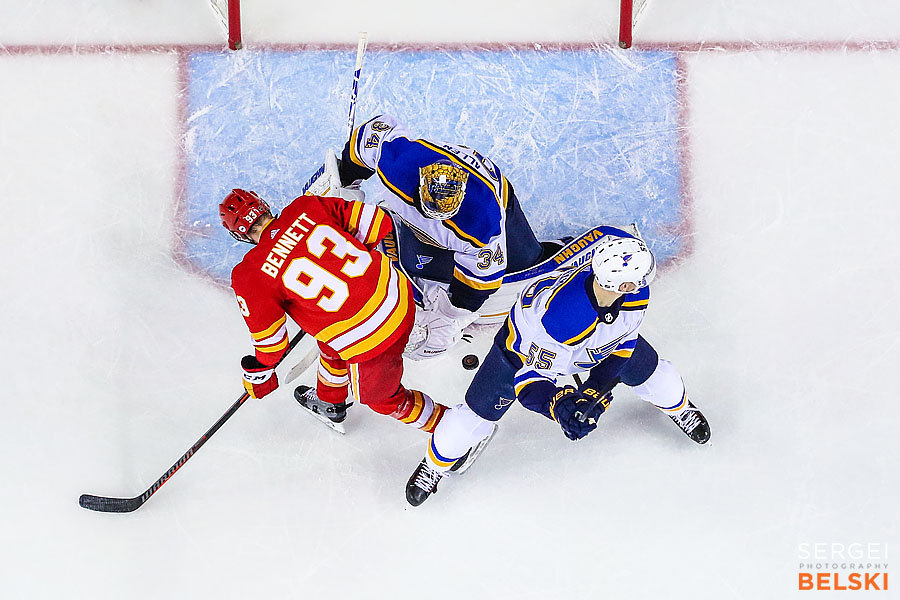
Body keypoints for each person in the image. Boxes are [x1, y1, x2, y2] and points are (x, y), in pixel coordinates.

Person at [403, 228, 711, 506]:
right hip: (522, 350)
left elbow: (625, 345)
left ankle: (679, 407)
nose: (645, 283)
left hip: (595, 341)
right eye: (639, 278)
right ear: (622, 283)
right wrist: (557, 405)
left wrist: (594, 389)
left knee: (657, 375)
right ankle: (434, 467)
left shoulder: (629, 285)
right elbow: (528, 382)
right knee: (471, 419)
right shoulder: (563, 320)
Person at [218, 188, 448, 434]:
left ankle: (453, 432)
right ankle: (330, 401)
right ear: (262, 205)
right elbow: (378, 222)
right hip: (400, 296)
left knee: (381, 399)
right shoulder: (305, 206)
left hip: (370, 341)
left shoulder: (249, 275)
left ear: (238, 235)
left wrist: (258, 373)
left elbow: (272, 345)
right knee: (330, 340)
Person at [328, 114, 548, 360]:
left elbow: (480, 284)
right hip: (448, 168)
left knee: (525, 261)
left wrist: (450, 317)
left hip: (494, 191)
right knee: (429, 241)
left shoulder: (483, 223)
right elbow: (369, 136)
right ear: (421, 184)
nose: (435, 219)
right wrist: (346, 180)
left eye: (443, 215)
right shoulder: (399, 163)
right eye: (429, 210)